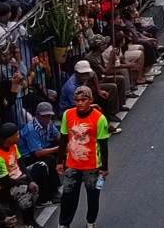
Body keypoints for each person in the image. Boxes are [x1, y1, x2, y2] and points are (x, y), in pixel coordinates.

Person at [57, 85, 110, 228]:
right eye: (77, 100)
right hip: (72, 164)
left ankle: (90, 222)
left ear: (91, 99)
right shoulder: (67, 115)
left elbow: (103, 145)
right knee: (67, 196)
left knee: (93, 197)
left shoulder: (100, 119)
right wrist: (59, 162)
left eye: (84, 100)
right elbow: (63, 139)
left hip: (92, 166)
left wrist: (104, 168)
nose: (80, 103)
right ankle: (63, 224)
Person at [0, 123, 39, 227]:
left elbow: (21, 164)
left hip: (18, 177)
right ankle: (29, 223)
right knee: (24, 189)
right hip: (3, 187)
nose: (19, 136)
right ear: (9, 139)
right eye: (17, 134)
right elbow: (4, 181)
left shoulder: (13, 146)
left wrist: (30, 180)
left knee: (40, 167)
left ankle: (34, 206)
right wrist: (25, 182)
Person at [18, 102, 61, 205]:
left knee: (54, 157)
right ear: (37, 115)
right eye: (44, 116)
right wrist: (58, 149)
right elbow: (37, 153)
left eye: (49, 116)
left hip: (44, 149)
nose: (47, 118)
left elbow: (57, 136)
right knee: (49, 160)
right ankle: (50, 194)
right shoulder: (31, 129)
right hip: (28, 157)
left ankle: (56, 186)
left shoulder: (49, 123)